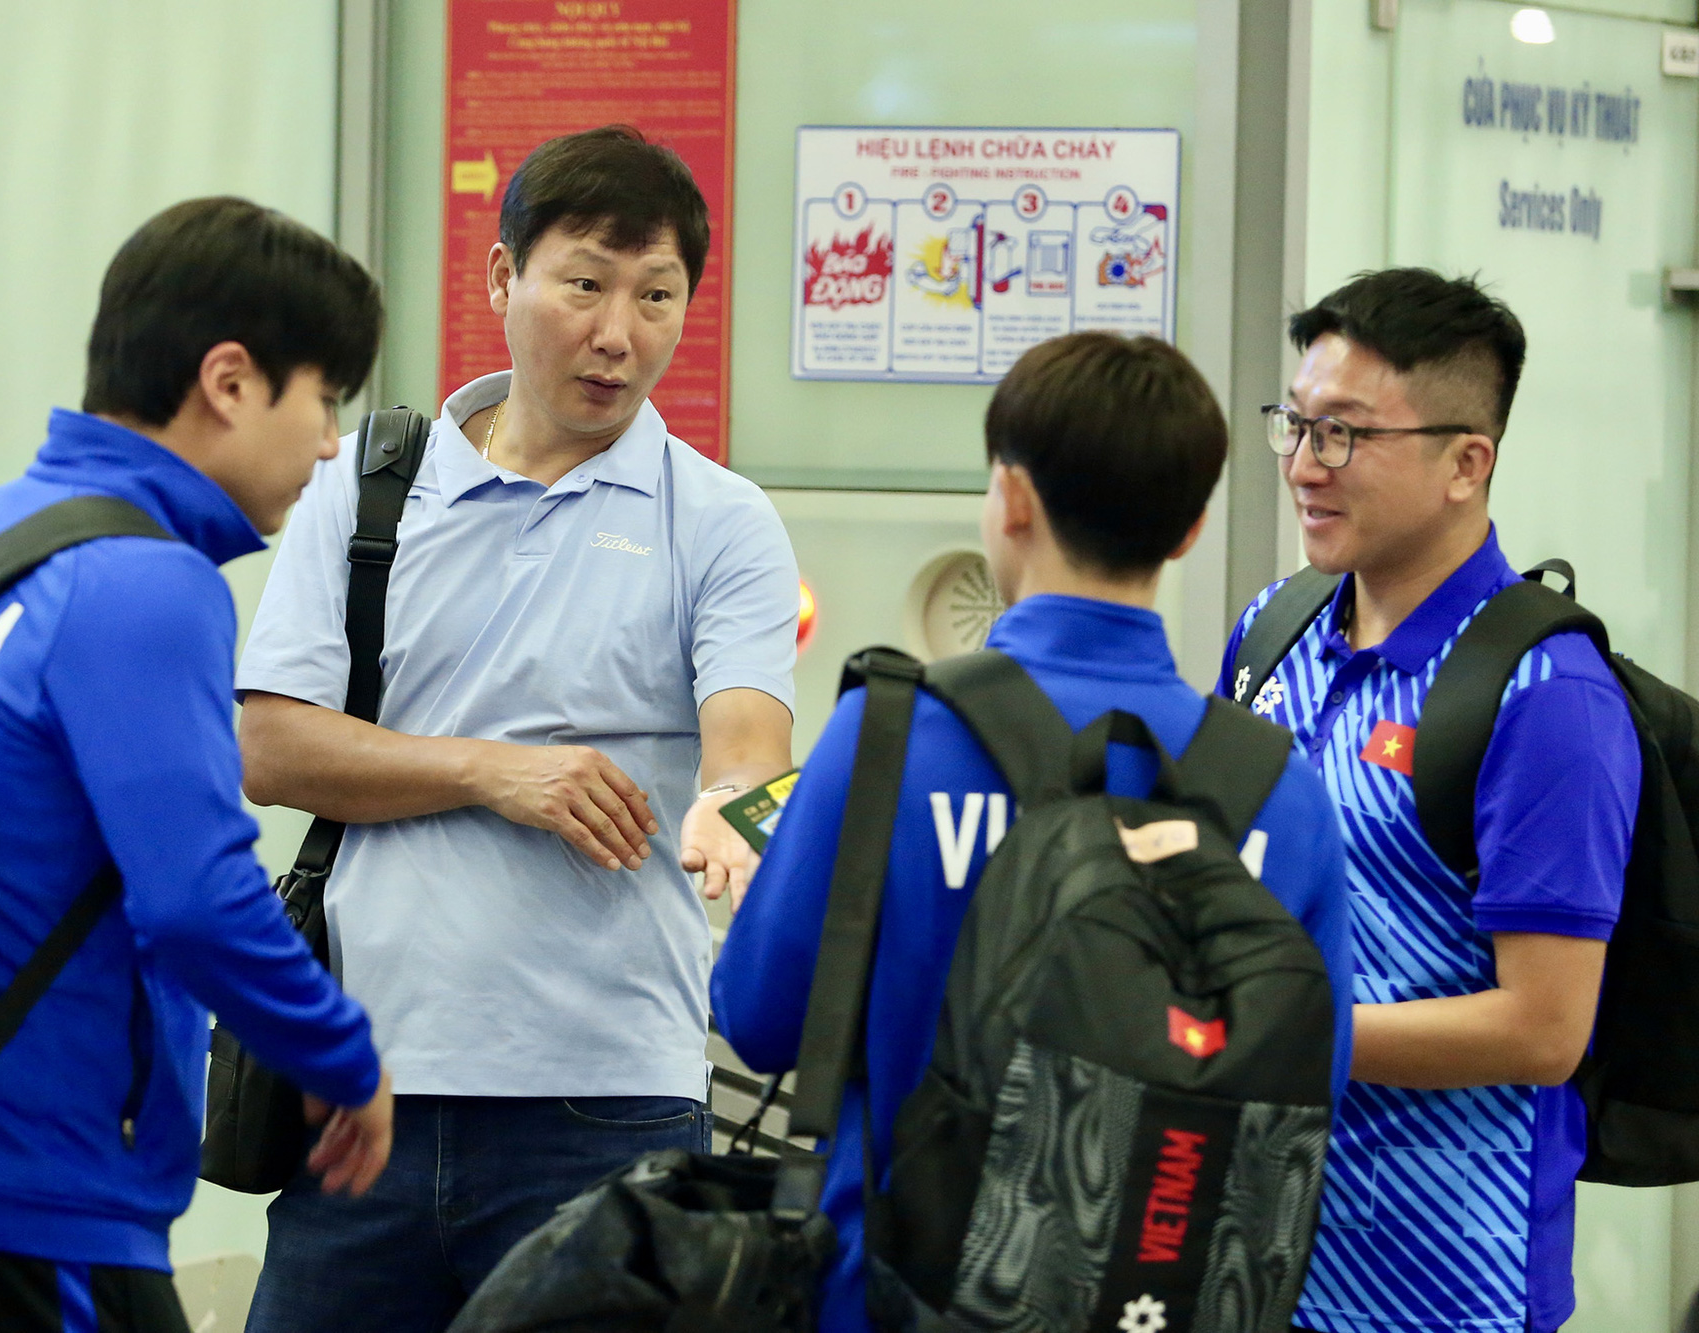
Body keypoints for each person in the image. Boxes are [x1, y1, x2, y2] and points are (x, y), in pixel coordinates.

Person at [234, 125, 799, 1332]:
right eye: (585, 283)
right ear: (502, 279)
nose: (618, 333)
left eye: (657, 298)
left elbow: (747, 744)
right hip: (362, 1089)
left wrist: (733, 812)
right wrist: (496, 774)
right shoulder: (365, 487)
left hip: (607, 1102)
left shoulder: (722, 520)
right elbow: (271, 746)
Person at [0, 197, 395, 1333]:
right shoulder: (144, 581)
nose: (330, 442)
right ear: (229, 381)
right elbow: (197, 898)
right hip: (30, 1208)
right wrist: (341, 1054)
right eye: (324, 396)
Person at [711, 331, 1356, 1333]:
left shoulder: (892, 737)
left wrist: (769, 885)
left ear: (1009, 500)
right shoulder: (1277, 790)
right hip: (1165, 1298)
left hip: (898, 1293)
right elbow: (1314, 1083)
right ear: (1187, 529)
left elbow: (756, 1016)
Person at [1219, 268, 1639, 1333]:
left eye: (1345, 436)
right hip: (1247, 1250)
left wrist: (1281, 1034)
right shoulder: (1274, 630)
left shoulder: (1544, 695)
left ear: (1466, 462)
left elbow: (1544, 1027)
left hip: (1445, 1283)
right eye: (1296, 426)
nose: (1305, 467)